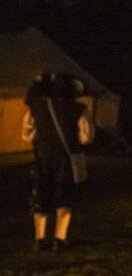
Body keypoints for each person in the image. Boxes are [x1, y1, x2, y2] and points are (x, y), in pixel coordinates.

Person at [21, 72, 94, 251]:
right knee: (65, 197)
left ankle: (39, 239)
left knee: (41, 197)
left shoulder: (35, 107)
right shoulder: (79, 108)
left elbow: (26, 134)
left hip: (42, 157)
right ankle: (59, 239)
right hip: (66, 158)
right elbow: (86, 137)